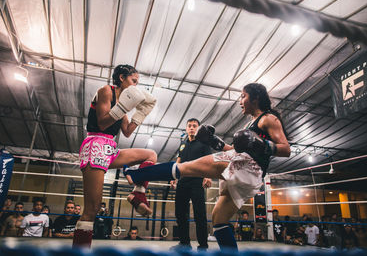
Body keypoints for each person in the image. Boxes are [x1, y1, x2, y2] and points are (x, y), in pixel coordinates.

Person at [124, 83, 291, 251]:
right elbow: (233, 149)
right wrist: (214, 141)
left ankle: (137, 175)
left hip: (247, 166)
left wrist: (260, 144)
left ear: (255, 98)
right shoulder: (249, 125)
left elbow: (286, 149)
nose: (240, 101)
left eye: (243, 96)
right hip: (247, 174)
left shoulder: (268, 118)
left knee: (185, 168)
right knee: (218, 219)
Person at [72, 65, 158, 248]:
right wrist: (123, 107)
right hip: (95, 145)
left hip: (110, 148)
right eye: (134, 81)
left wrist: (141, 113)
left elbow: (126, 132)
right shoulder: (106, 91)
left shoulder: (123, 102)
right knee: (92, 209)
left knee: (150, 155)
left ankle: (137, 194)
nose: (136, 86)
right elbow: (103, 123)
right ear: (121, 78)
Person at [170, 118, 212, 251]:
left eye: (194, 126)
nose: (192, 128)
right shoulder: (183, 144)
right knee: (180, 213)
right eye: (189, 126)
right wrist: (173, 176)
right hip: (183, 181)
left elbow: (209, 161)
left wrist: (208, 176)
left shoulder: (204, 143)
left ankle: (203, 245)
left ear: (198, 128)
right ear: (186, 128)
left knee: (200, 214)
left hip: (197, 181)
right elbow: (179, 160)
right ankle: (184, 243)